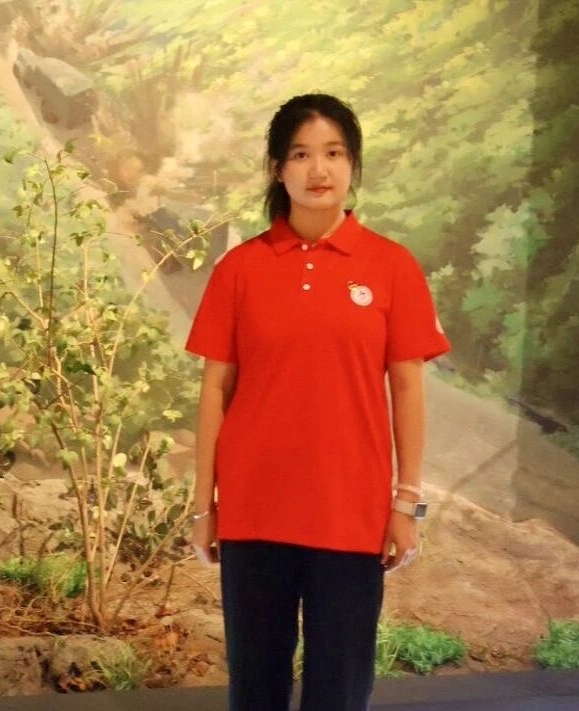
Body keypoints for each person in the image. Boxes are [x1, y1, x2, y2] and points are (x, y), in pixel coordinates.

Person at [185, 94, 450, 711]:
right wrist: (203, 505)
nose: (318, 169)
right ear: (278, 169)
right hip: (254, 508)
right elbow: (215, 390)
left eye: (333, 153)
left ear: (352, 164)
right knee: (255, 688)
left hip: (350, 510)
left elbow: (407, 388)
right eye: (301, 155)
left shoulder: (391, 266)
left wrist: (406, 503)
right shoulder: (239, 269)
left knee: (340, 688)